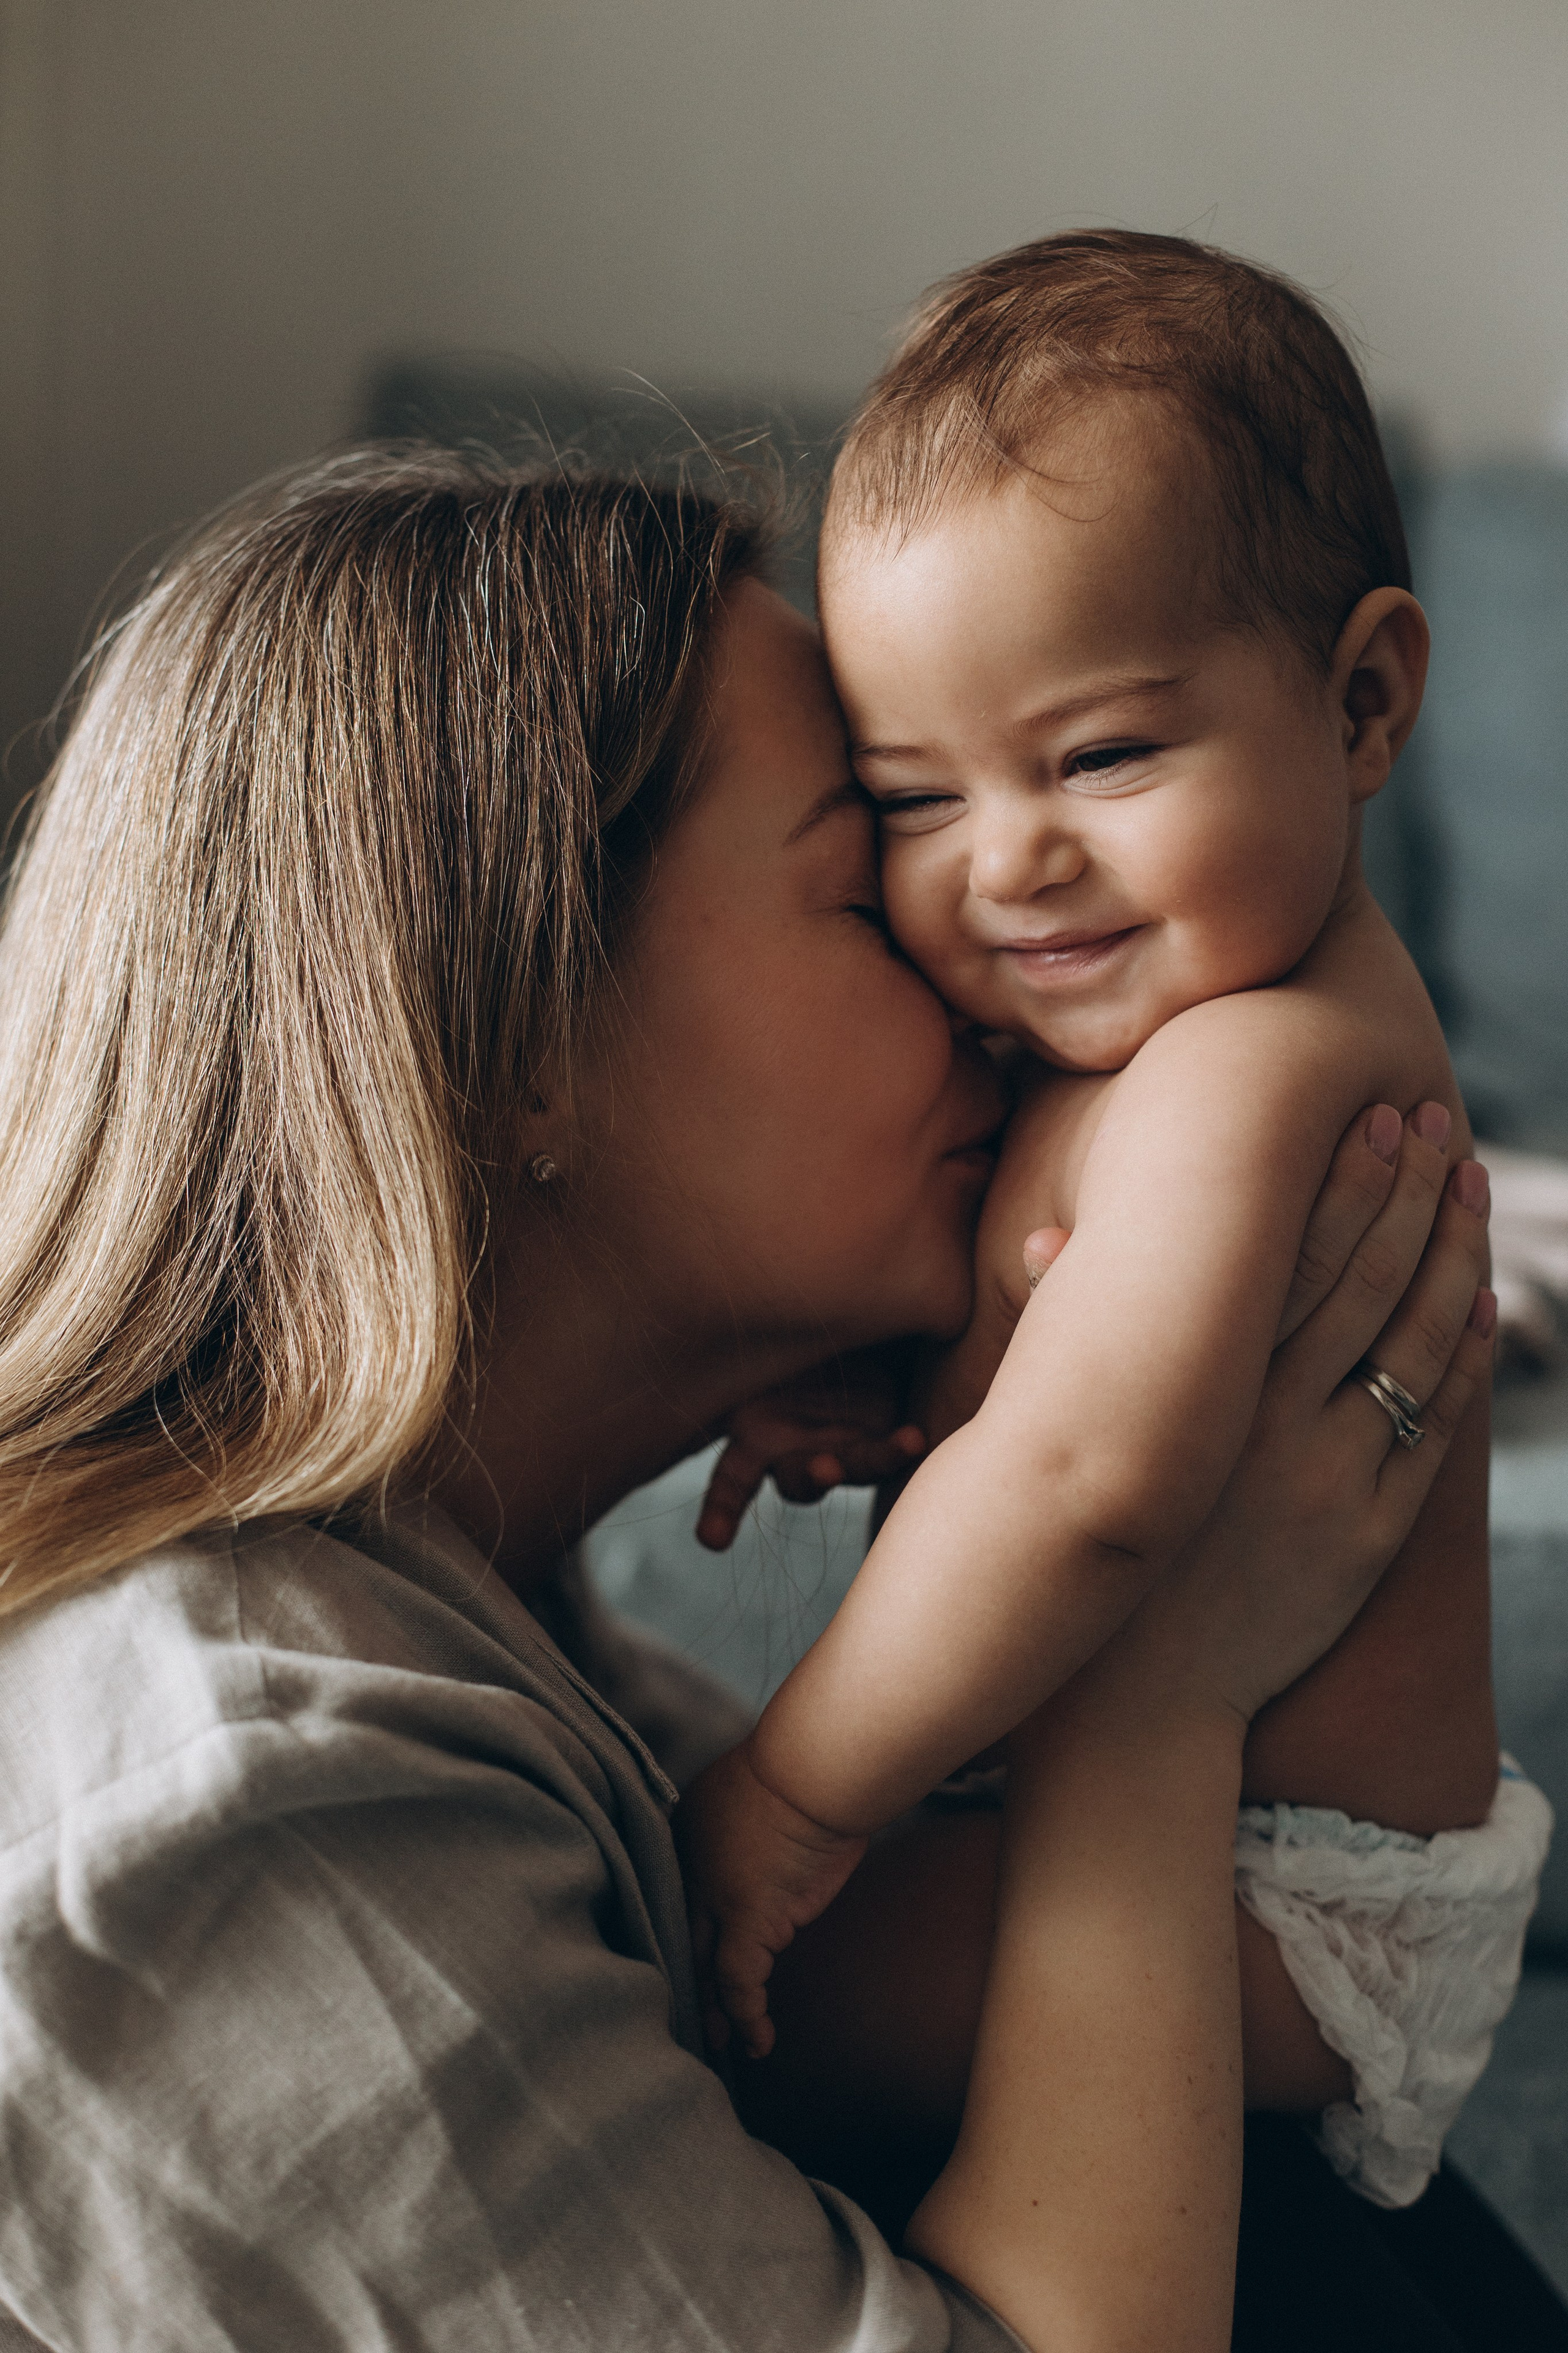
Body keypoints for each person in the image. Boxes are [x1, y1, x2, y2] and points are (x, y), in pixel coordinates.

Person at [0, 448, 1510, 2350]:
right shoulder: (244, 1799)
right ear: (527, 1035)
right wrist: (1158, 1682)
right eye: (872, 873)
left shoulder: (462, 1601)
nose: (992, 987)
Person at [677, 237, 1550, 2213]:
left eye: (1103, 755)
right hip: (1169, 1818)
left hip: (1297, 1894)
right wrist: (888, 1385)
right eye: (912, 797)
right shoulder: (1118, 1021)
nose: (1011, 861)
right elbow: (1029, 1343)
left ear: (1363, 700)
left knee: (725, 2011)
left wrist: (793, 1787)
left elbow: (1091, 1475)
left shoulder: (1262, 1062)